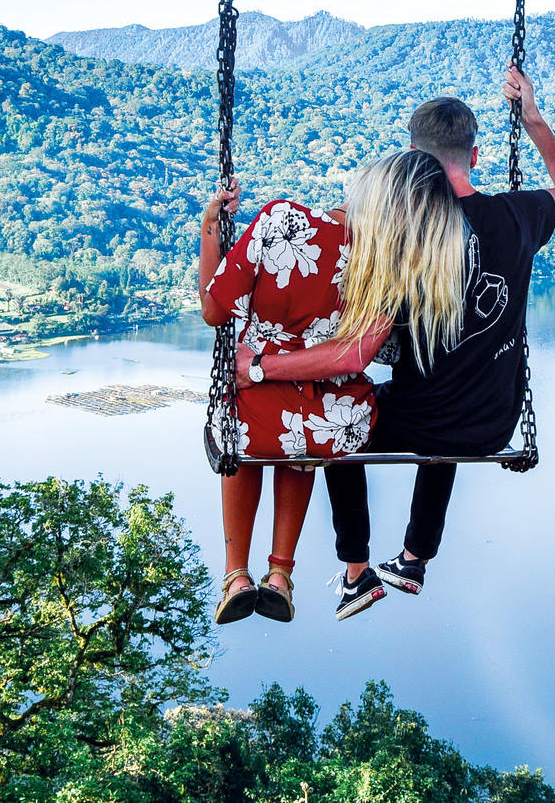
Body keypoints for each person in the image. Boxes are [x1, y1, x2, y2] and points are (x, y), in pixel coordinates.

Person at [245, 66, 555, 620]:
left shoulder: (404, 236)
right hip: (494, 423)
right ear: (473, 156)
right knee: (449, 394)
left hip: (419, 420)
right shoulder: (519, 215)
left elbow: (356, 352)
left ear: (414, 160)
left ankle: (356, 571)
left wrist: (262, 364)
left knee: (340, 420)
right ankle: (412, 559)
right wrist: (533, 120)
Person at [196, 149, 467, 625]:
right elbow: (364, 355)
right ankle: (280, 573)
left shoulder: (280, 219)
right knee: (304, 432)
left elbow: (214, 311)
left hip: (254, 411)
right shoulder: (389, 265)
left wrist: (210, 230)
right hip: (332, 424)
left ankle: (236, 574)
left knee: (246, 429)